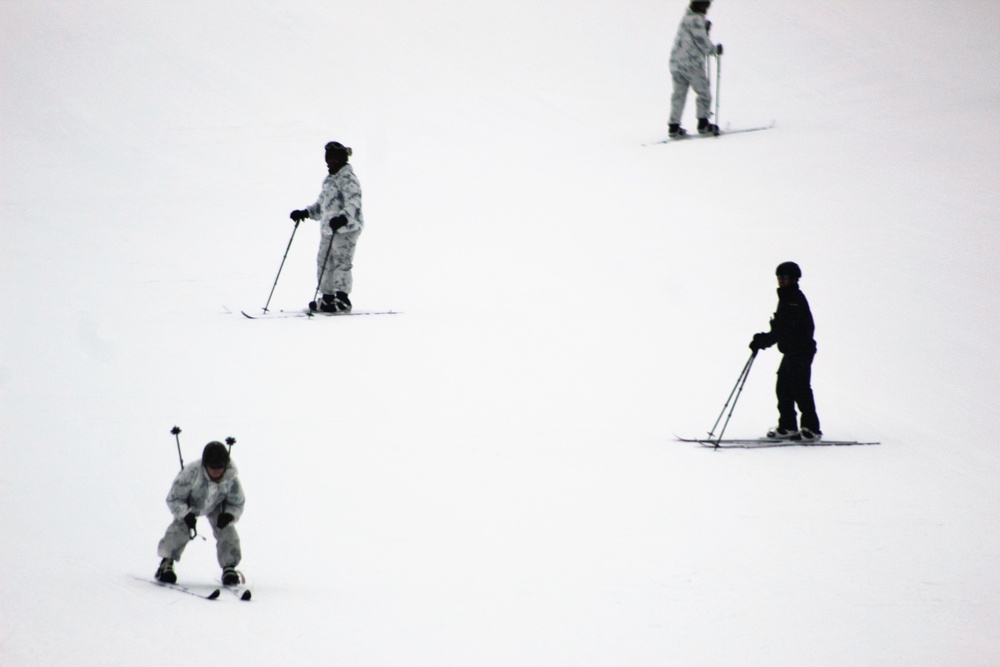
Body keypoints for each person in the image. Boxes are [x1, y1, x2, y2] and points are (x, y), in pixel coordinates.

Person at [749, 262, 823, 442]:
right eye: (780, 277)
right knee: (783, 387)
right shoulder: (786, 297)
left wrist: (764, 340)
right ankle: (788, 426)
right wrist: (765, 338)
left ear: (794, 279)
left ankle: (811, 429)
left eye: (785, 277)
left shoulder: (794, 299)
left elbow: (785, 329)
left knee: (800, 388)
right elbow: (782, 328)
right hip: (792, 350)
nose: (782, 281)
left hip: (801, 350)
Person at [155, 441, 245, 586]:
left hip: (217, 505)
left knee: (227, 528)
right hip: (191, 504)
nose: (216, 471)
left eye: (220, 467)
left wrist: (229, 514)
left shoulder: (231, 477)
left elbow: (237, 502)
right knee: (180, 526)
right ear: (205, 465)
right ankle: (166, 563)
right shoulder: (191, 473)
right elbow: (174, 498)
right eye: (212, 467)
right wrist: (185, 514)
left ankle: (229, 567)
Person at [289, 141, 364, 313]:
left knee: (341, 261)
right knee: (323, 261)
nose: (330, 162)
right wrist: (306, 213)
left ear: (342, 159)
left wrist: (344, 218)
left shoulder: (348, 179)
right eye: (328, 159)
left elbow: (354, 202)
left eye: (334, 159)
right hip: (329, 229)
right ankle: (328, 297)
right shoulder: (330, 180)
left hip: (347, 229)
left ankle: (342, 298)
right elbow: (322, 205)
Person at [668, 0, 723, 138]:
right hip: (691, 62)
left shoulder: (686, 18)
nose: (707, 8)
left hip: (676, 62)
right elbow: (701, 41)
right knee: (703, 92)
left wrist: (705, 29)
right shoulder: (696, 19)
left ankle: (673, 126)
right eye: (706, 5)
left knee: (678, 95)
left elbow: (692, 37)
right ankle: (703, 124)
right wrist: (715, 50)